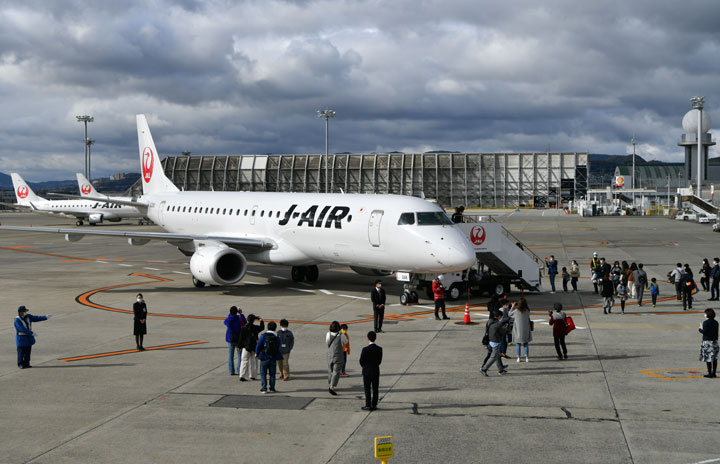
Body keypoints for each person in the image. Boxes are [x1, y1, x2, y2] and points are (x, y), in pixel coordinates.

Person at [256, 321, 283, 393]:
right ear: (275, 328)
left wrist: (257, 353)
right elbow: (278, 346)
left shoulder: (263, 336)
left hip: (264, 357)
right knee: (272, 374)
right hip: (273, 357)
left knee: (263, 374)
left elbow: (258, 345)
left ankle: (264, 388)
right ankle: (272, 388)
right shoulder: (276, 337)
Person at [359, 331, 383, 410]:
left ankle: (368, 404)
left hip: (367, 371)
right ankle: (374, 404)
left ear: (368, 338)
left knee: (367, 388)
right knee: (375, 388)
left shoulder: (365, 349)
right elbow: (379, 361)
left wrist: (365, 367)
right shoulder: (379, 349)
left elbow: (361, 361)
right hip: (375, 370)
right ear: (375, 338)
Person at [480, 311, 509, 376]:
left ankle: (500, 370)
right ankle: (484, 369)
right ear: (499, 316)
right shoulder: (498, 324)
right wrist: (505, 328)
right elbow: (502, 333)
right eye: (501, 316)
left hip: (489, 340)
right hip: (495, 341)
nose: (501, 317)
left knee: (497, 355)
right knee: (493, 357)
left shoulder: (489, 321)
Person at [239, 314, 264, 381]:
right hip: (254, 347)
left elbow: (241, 338)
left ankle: (242, 375)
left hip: (245, 347)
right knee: (253, 361)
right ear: (254, 320)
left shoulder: (243, 328)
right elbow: (262, 327)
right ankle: (253, 375)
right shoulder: (255, 328)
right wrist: (261, 320)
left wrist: (239, 346)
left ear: (247, 319)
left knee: (244, 361)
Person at [326, 321, 347, 395]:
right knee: (336, 371)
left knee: (330, 369)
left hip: (330, 354)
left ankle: (330, 382)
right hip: (338, 355)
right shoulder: (341, 335)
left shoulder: (328, 334)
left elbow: (327, 342)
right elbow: (346, 342)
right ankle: (332, 386)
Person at [509, 297, 532, 362]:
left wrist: (512, 307)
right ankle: (527, 357)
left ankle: (518, 357)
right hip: (525, 329)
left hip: (517, 329)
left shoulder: (516, 311)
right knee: (526, 343)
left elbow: (509, 314)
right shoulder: (527, 311)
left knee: (518, 343)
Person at [224, 306, 245, 375]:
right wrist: (241, 314)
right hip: (238, 338)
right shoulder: (239, 318)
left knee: (231, 355)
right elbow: (245, 322)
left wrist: (230, 314)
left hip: (230, 339)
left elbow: (225, 322)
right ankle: (239, 370)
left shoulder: (229, 319)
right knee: (239, 355)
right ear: (237, 312)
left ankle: (231, 370)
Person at [698, 309, 718, 378]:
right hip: (715, 342)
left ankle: (709, 373)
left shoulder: (706, 322)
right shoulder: (716, 322)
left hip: (707, 342)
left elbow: (705, 332)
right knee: (714, 358)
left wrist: (700, 329)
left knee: (708, 358)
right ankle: (714, 373)